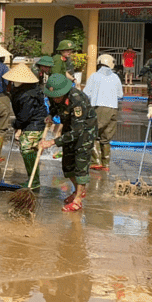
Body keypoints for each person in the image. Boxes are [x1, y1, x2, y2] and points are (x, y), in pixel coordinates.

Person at [38, 74, 97, 212]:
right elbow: (54, 108)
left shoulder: (77, 99)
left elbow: (77, 131)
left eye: (58, 96)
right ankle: (78, 191)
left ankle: (78, 200)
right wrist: (50, 115)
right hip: (69, 127)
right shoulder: (54, 97)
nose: (56, 99)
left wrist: (53, 142)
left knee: (80, 165)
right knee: (67, 164)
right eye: (54, 96)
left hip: (84, 132)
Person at [4, 63, 47, 190]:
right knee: (29, 149)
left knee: (27, 149)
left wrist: (16, 125)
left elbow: (24, 115)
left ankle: (34, 180)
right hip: (31, 122)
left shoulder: (28, 94)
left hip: (34, 123)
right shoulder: (22, 90)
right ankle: (34, 178)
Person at [84, 54, 123, 172]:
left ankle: (95, 161)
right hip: (113, 109)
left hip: (99, 108)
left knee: (93, 134)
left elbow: (86, 93)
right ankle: (106, 164)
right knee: (106, 137)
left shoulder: (94, 76)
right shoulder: (116, 77)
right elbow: (120, 95)